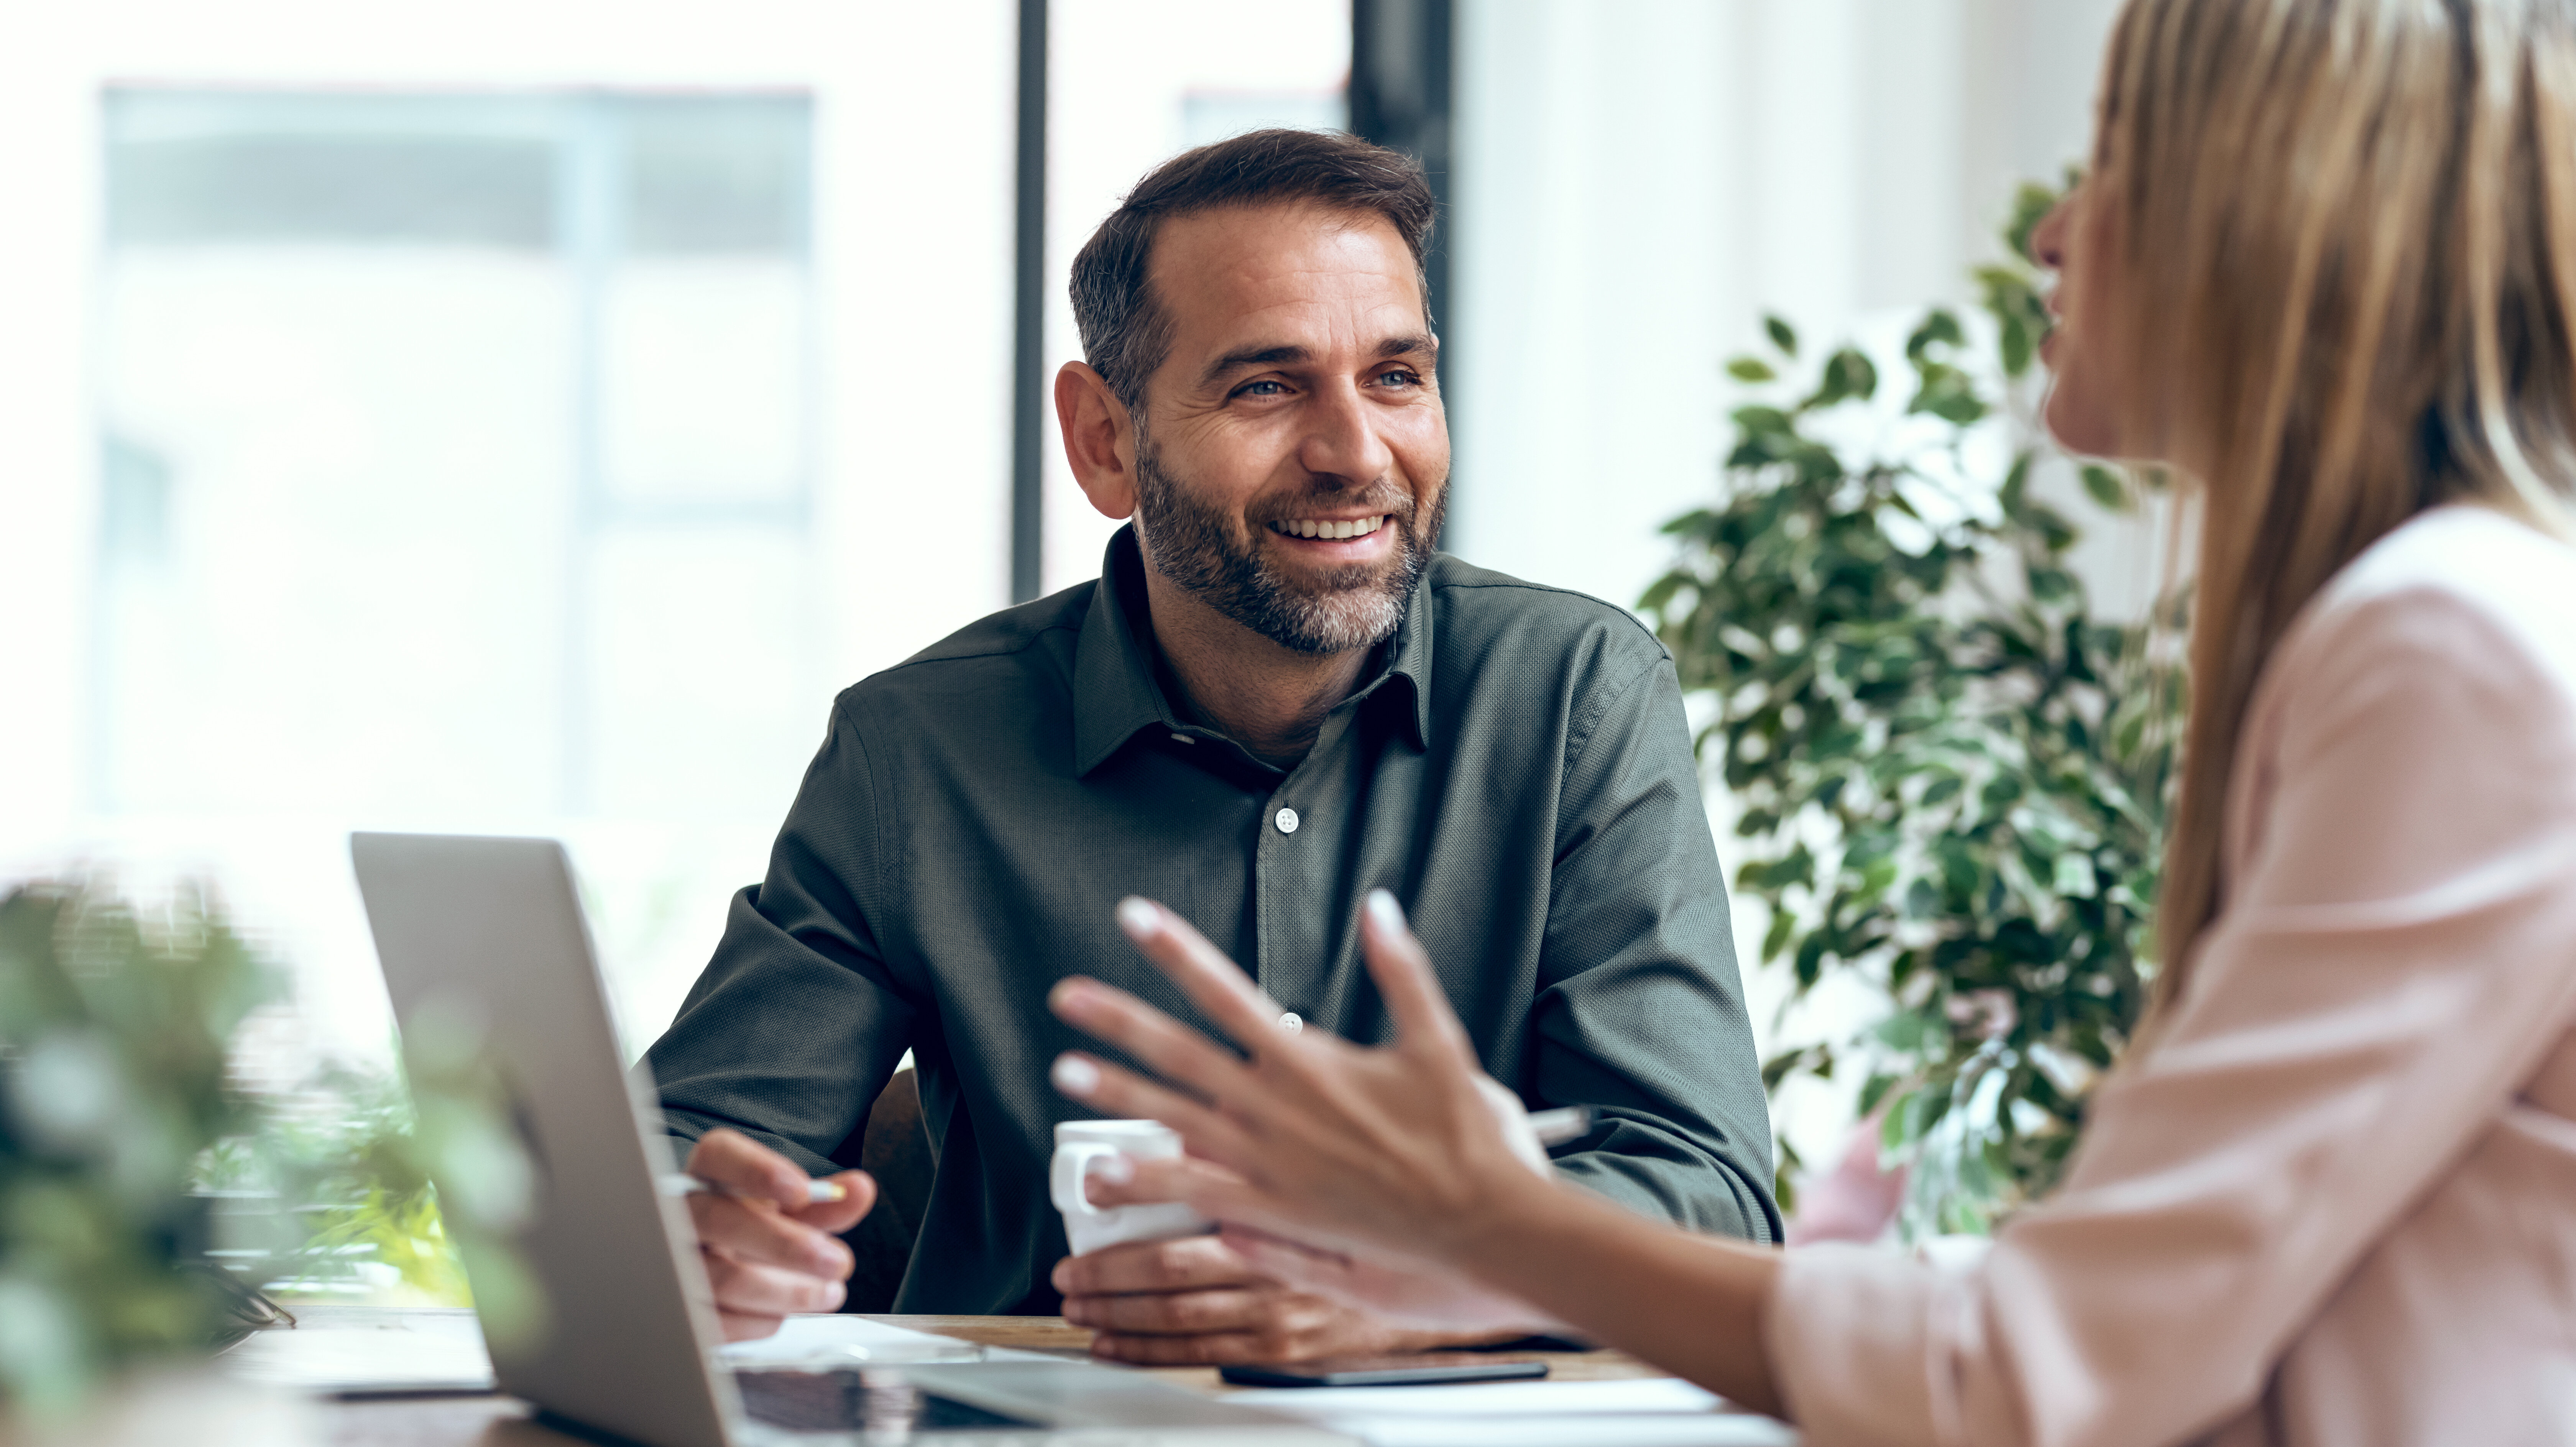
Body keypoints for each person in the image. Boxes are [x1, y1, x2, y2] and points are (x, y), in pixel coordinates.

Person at [1040, 0, 2576, 1440]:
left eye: (2113, 161)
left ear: (2278, 217)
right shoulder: (2426, 628)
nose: (2049, 227)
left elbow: (2038, 1367)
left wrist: (1489, 1221)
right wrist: (1480, 1266)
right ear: (1105, 439)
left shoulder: (2452, 645)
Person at [642, 128, 1779, 1362]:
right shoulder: (917, 748)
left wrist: (1417, 1283)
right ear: (1105, 441)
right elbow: (681, 1148)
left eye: (1396, 377)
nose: (1356, 454)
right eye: (1266, 387)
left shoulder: (1576, 698)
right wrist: (703, 1237)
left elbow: (1708, 1198)